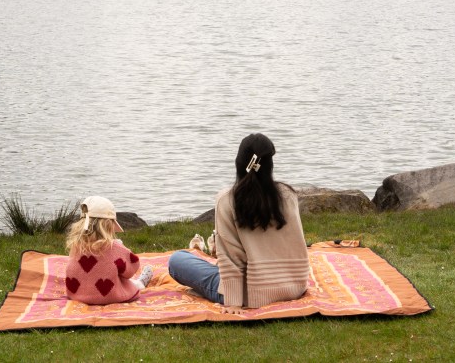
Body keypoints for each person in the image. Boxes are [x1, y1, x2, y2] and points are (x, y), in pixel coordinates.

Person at [168, 133, 309, 314]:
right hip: (293, 288)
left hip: (249, 295)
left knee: (177, 260)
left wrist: (233, 302)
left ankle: (206, 284)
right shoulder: (289, 196)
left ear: (239, 163)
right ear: (270, 165)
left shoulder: (227, 200)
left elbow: (230, 257)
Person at [64, 195, 154, 305]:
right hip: (110, 296)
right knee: (127, 282)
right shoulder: (114, 247)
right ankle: (141, 282)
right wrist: (123, 249)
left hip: (78, 296)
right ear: (109, 225)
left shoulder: (76, 246)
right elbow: (131, 269)